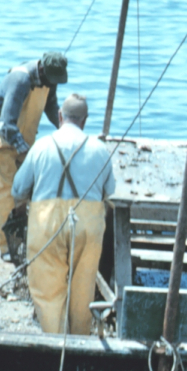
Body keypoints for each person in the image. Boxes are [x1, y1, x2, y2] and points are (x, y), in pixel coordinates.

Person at [11, 93, 117, 335]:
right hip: (88, 225)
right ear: (85, 120)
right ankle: (79, 340)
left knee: (48, 289)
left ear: (60, 116)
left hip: (46, 224)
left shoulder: (42, 146)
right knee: (83, 285)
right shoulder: (100, 150)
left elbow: (18, 189)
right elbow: (110, 196)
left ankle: (55, 341)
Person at [0, 51, 67, 258]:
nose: (51, 84)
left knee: (29, 190)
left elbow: (50, 107)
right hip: (0, 141)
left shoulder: (49, 80)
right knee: (6, 193)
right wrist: (27, 151)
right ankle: (6, 248)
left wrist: (66, 129)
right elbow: (5, 126)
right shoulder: (20, 80)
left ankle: (26, 240)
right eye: (51, 80)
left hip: (23, 139)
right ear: (42, 70)